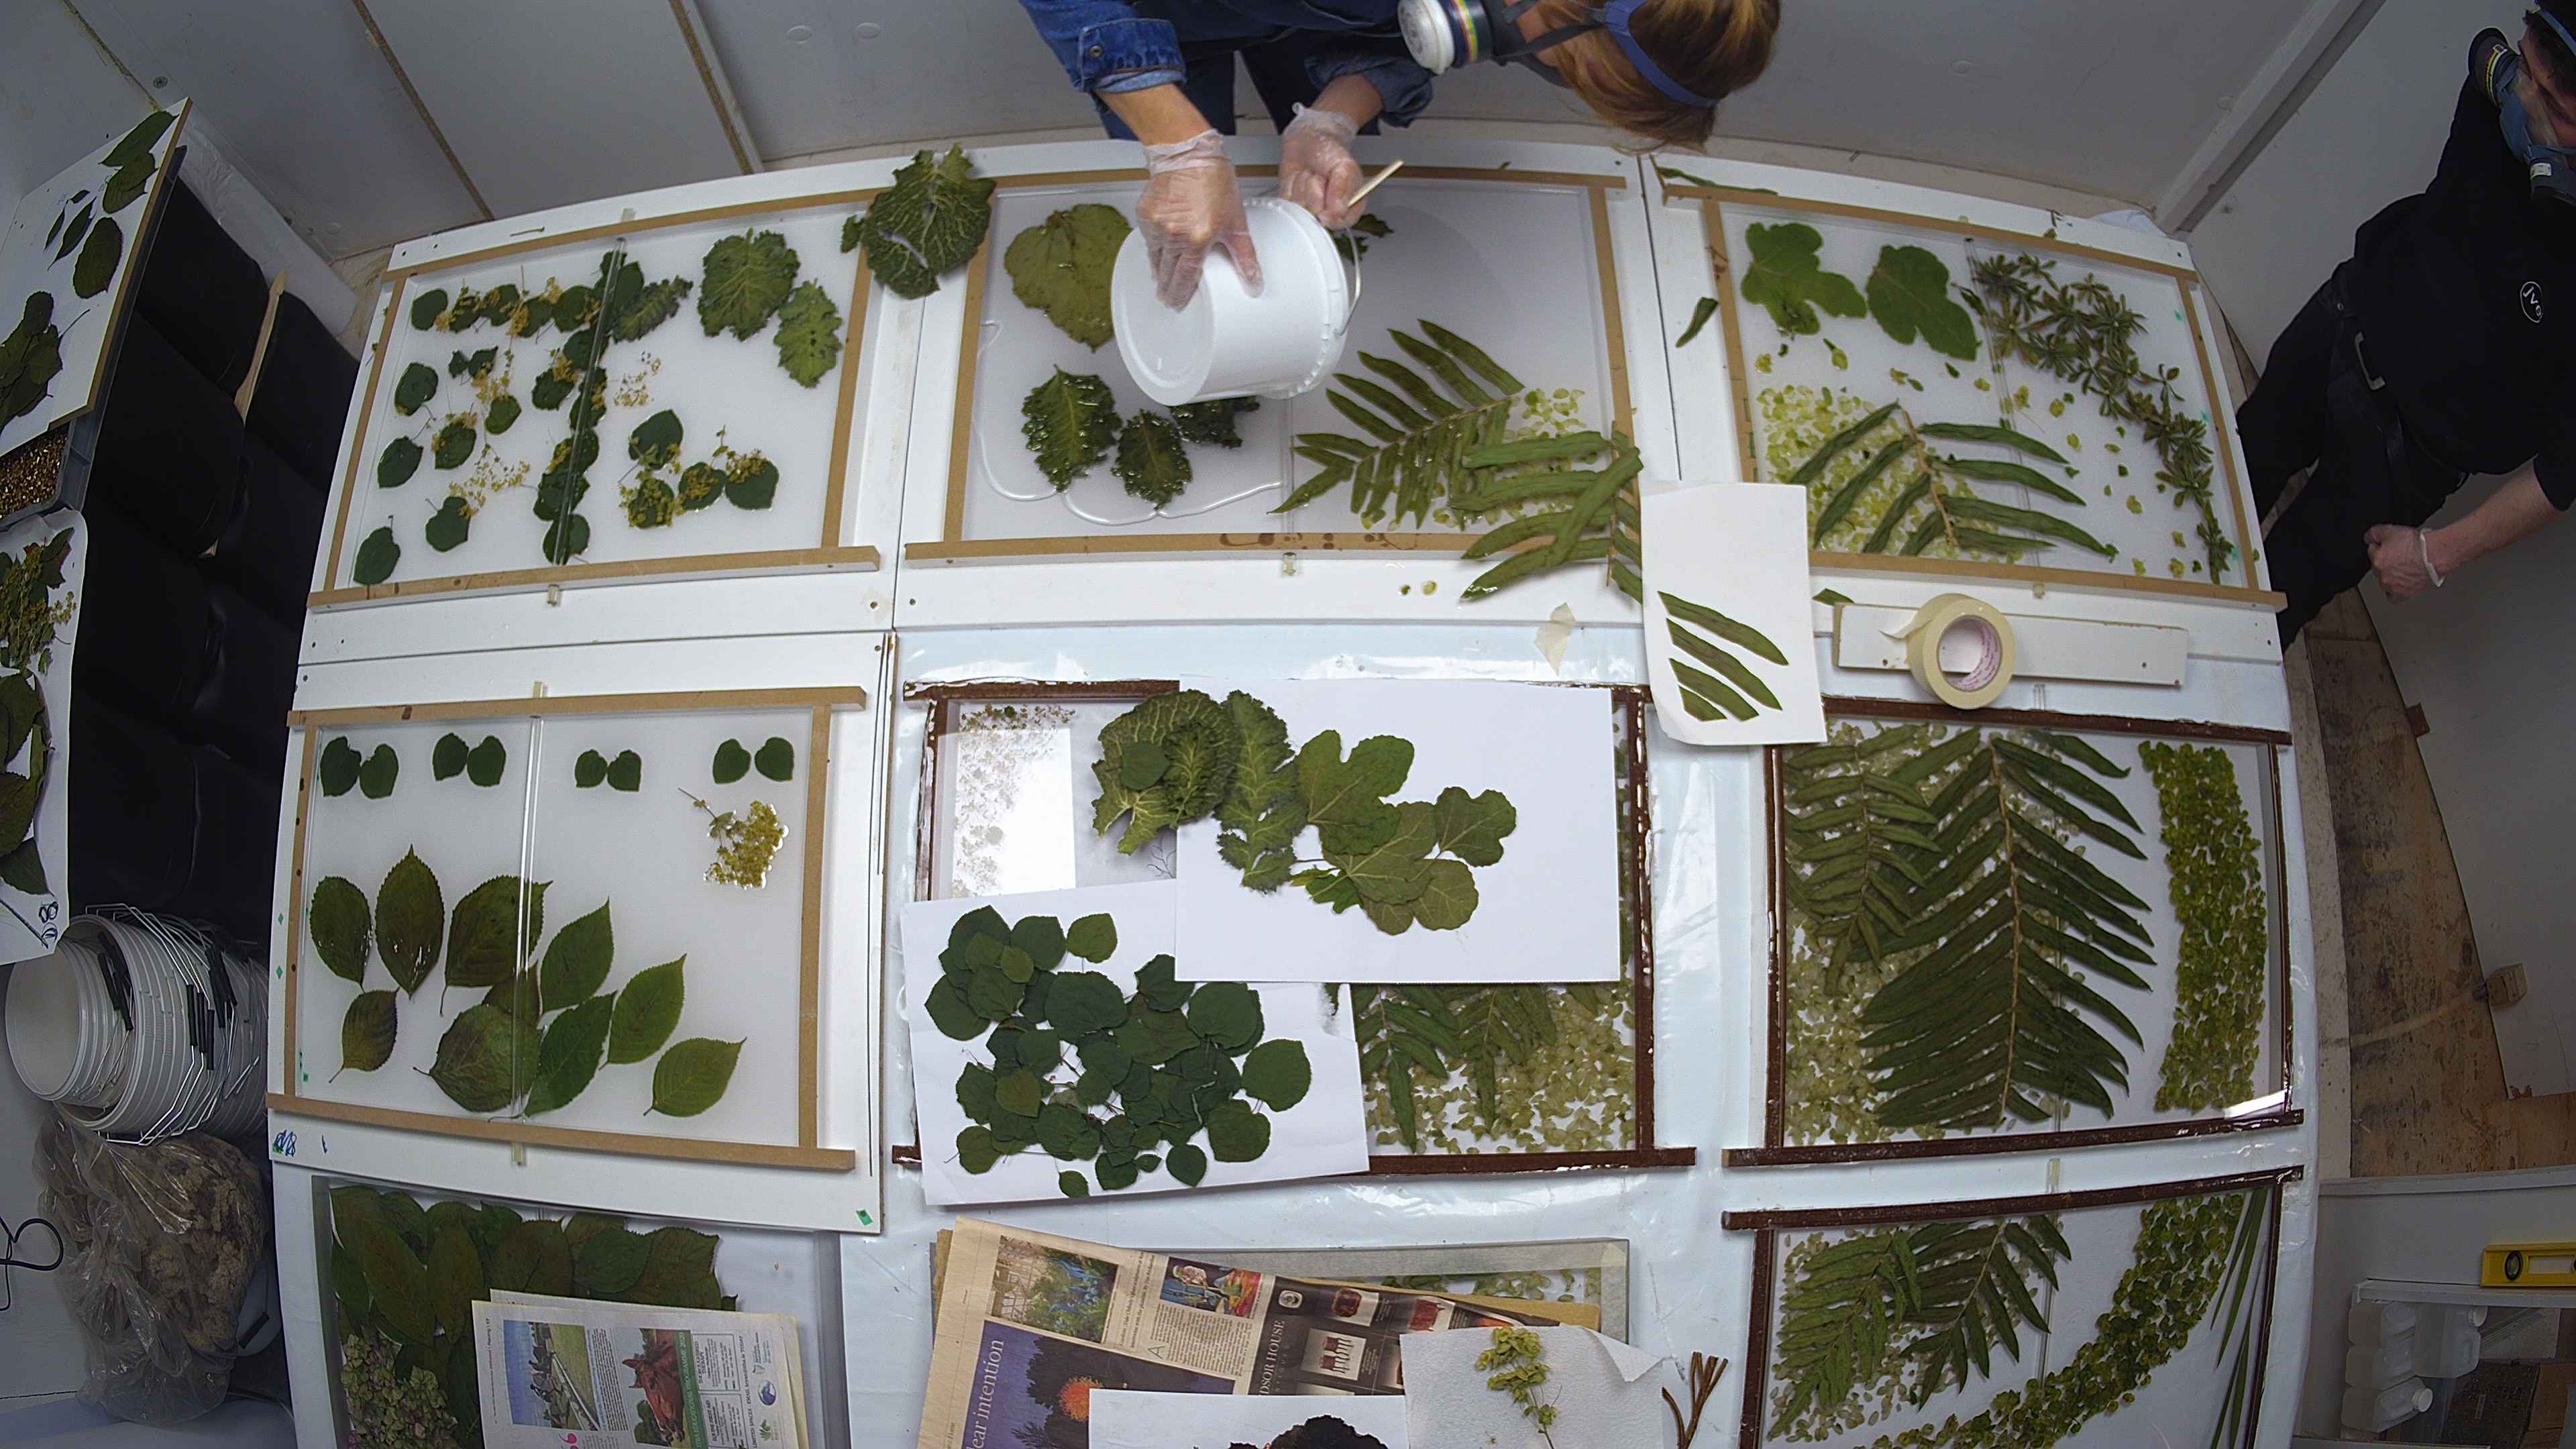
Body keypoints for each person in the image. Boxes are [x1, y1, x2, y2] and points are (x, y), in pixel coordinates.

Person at [1015, 1, 1779, 307]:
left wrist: (1334, 117)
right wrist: (1175, 142)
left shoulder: (1547, 13)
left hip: (1313, 20)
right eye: (1561, 62)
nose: (1535, 63)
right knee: (1187, 217)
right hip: (1152, 17)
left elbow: (1419, 33)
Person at [2240, 6, 2576, 645]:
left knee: (2280, 596)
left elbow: (2562, 475)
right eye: (2525, 73)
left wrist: (2436, 555)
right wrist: (2531, 92)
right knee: (2231, 476)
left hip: (2406, 454)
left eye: (2553, 108)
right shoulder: (2500, 89)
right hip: (2344, 320)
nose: (2523, 102)